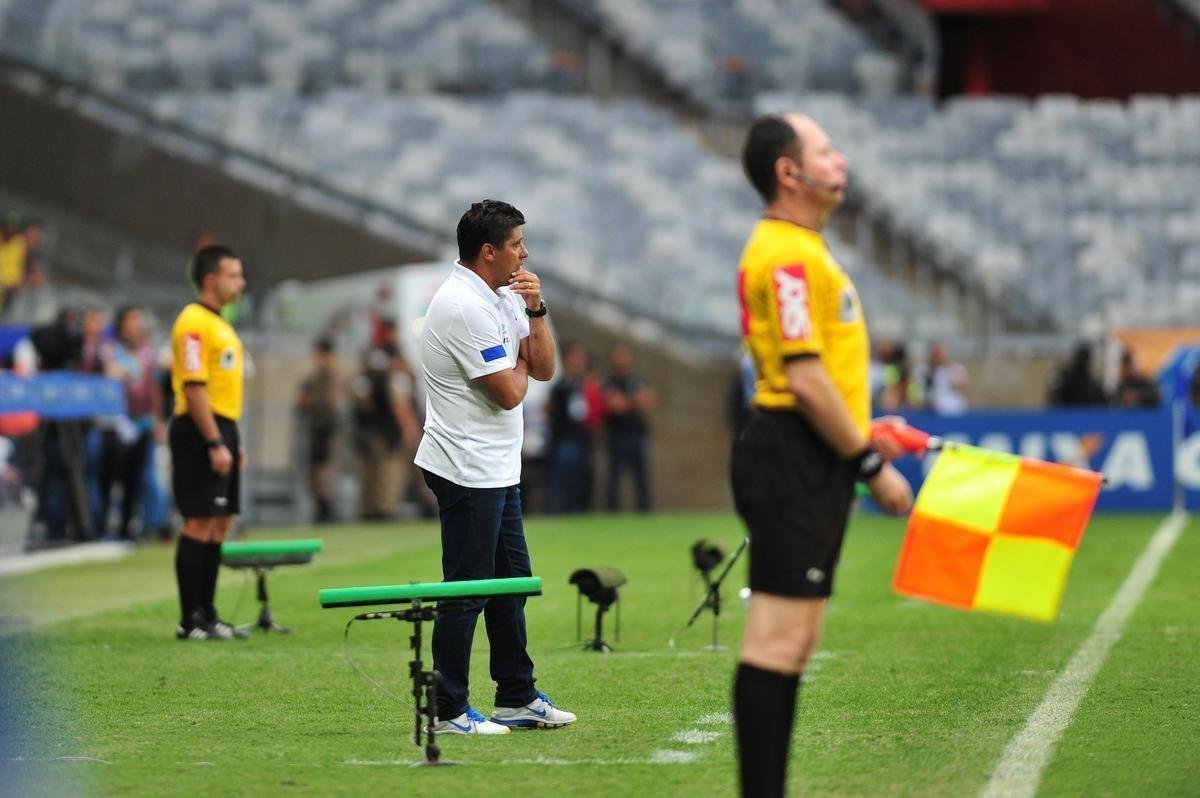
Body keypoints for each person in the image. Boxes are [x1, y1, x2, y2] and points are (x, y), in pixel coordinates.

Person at [730, 113, 913, 797]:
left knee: (796, 644)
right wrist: (870, 464)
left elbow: (818, 376)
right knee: (777, 642)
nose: (841, 161)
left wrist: (863, 432)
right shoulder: (785, 255)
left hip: (809, 454)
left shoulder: (804, 248)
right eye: (826, 150)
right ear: (789, 172)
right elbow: (803, 378)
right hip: (790, 457)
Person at [414, 199, 576, 734]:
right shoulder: (464, 305)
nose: (525, 253)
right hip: (464, 465)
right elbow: (509, 392)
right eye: (516, 244)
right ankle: (448, 710)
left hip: (495, 466)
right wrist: (521, 364)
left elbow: (545, 368)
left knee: (510, 584)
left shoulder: (506, 295)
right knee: (466, 589)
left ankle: (516, 695)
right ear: (489, 252)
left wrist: (536, 312)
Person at [169, 244, 248, 640]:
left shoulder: (221, 323)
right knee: (199, 521)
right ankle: (189, 620)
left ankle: (208, 613)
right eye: (233, 275)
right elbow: (195, 388)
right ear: (210, 279)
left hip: (223, 428)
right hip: (200, 429)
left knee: (219, 523)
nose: (241, 282)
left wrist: (233, 442)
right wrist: (215, 441)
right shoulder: (193, 323)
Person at [98, 305, 164, 539]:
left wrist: (157, 420)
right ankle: (102, 525)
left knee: (136, 478)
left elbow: (154, 388)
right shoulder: (109, 349)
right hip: (116, 423)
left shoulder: (148, 351)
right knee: (109, 476)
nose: (135, 326)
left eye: (138, 321)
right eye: (130, 321)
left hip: (142, 422)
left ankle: (130, 527)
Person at [545, 342, 603, 513]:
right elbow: (551, 408)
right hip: (563, 437)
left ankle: (578, 510)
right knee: (561, 479)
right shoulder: (561, 383)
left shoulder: (589, 384)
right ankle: (558, 511)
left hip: (583, 437)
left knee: (582, 479)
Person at [603, 345, 655, 512]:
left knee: (641, 478)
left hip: (637, 434)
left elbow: (648, 400)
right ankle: (613, 511)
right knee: (614, 477)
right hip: (617, 435)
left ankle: (644, 510)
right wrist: (634, 401)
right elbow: (615, 405)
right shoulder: (608, 382)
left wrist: (627, 401)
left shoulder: (637, 380)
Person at [296, 337, 341, 522]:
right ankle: (322, 504)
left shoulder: (334, 376)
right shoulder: (313, 378)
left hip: (330, 429)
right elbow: (301, 401)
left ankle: (327, 503)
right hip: (316, 429)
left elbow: (335, 401)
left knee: (326, 469)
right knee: (316, 469)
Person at [916, 340, 969, 415]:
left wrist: (948, 372)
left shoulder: (956, 368)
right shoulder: (923, 370)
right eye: (936, 353)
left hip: (953, 410)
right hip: (929, 410)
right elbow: (916, 389)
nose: (939, 356)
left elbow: (962, 385)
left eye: (941, 353)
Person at [1047, 343, 1106, 407]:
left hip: (1084, 414)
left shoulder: (1091, 382)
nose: (1082, 362)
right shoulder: (1064, 377)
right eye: (1081, 358)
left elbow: (1101, 403)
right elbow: (1054, 401)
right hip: (1066, 414)